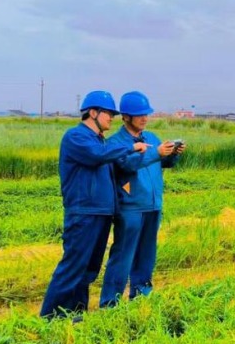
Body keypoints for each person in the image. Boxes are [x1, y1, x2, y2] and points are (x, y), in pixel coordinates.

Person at [40, 90, 147, 320]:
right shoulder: (77, 137)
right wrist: (130, 146)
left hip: (101, 213)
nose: (111, 117)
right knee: (73, 266)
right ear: (92, 113)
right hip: (84, 212)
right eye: (108, 113)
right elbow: (97, 155)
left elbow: (112, 165)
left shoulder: (100, 142)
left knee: (88, 269)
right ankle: (49, 318)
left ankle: (74, 315)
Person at [99, 91, 185, 307]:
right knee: (123, 255)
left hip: (153, 204)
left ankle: (141, 297)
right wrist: (156, 152)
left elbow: (162, 163)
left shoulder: (151, 138)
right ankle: (111, 302)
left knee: (147, 254)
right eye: (139, 115)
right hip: (131, 207)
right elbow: (127, 164)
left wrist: (173, 154)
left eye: (146, 114)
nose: (145, 118)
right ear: (126, 116)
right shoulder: (116, 142)